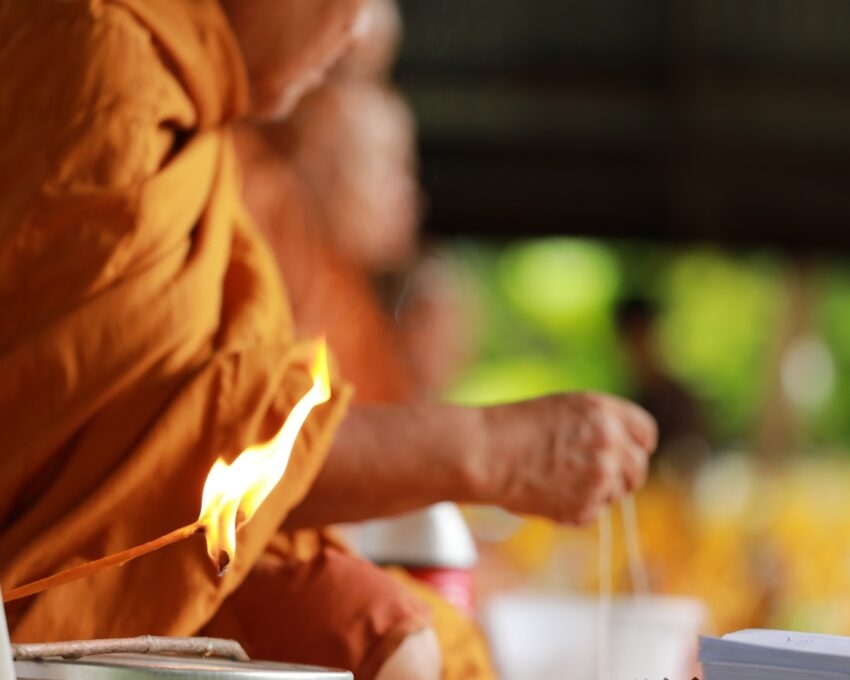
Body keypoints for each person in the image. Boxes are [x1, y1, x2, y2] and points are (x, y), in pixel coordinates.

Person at [0, 1, 657, 678]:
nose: (351, 29)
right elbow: (172, 452)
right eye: (350, 69)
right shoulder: (102, 62)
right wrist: (489, 451)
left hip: (161, 574)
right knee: (383, 633)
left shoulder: (196, 119)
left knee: (406, 629)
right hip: (60, 597)